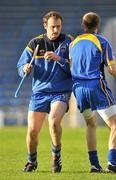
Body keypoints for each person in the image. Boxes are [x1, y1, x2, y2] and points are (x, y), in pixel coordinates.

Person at [17, 11, 73, 173]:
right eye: (52, 27)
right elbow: (21, 67)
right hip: (39, 93)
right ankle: (31, 161)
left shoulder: (69, 41)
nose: (56, 30)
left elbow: (76, 68)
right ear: (45, 26)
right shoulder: (35, 43)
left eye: (59, 26)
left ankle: (56, 157)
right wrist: (25, 69)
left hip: (61, 91)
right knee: (33, 130)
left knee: (54, 122)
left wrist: (59, 59)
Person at [69, 12, 116, 174]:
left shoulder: (74, 43)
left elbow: (72, 65)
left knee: (90, 125)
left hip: (78, 89)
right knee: (115, 125)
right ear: (97, 26)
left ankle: (94, 164)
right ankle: (112, 164)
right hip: (95, 87)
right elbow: (112, 69)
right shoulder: (102, 41)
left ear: (83, 25)